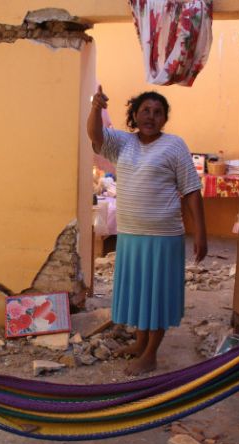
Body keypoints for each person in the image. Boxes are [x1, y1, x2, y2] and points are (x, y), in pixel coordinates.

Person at [87, 85, 207, 375]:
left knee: (158, 296)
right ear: (134, 115)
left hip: (163, 237)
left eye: (157, 112)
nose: (150, 117)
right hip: (130, 235)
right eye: (145, 111)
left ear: (165, 118)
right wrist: (96, 107)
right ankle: (140, 345)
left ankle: (151, 354)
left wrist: (201, 234)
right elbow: (96, 136)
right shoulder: (122, 143)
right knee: (141, 294)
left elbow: (191, 191)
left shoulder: (174, 145)